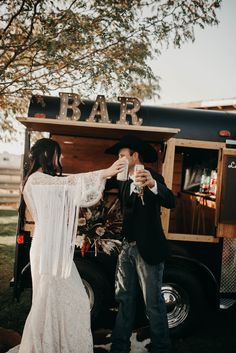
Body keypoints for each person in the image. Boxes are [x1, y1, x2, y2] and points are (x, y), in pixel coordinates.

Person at [7, 138, 125, 353]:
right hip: (48, 248)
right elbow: (68, 184)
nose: (60, 158)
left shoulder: (40, 181)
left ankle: (56, 344)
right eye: (57, 154)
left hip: (50, 246)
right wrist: (104, 173)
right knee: (52, 300)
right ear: (47, 154)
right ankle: (46, 346)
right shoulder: (37, 181)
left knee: (60, 299)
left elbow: (67, 188)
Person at [105, 135, 175, 353]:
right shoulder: (122, 178)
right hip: (127, 248)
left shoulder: (153, 176)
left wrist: (153, 185)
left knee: (153, 303)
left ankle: (161, 348)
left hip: (149, 249)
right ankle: (119, 346)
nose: (119, 159)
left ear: (135, 156)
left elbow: (170, 200)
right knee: (124, 299)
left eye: (122, 155)